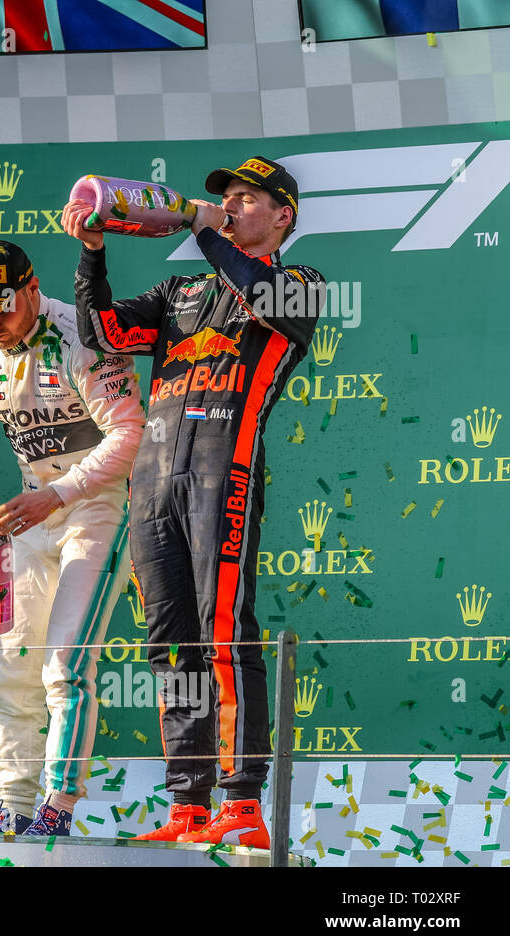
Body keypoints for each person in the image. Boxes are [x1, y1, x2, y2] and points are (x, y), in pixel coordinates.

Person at [65, 156, 325, 848]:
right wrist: (93, 255)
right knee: (170, 648)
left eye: (246, 199)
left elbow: (259, 294)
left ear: (283, 217)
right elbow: (104, 334)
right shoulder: (179, 290)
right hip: (152, 483)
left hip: (224, 474)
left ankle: (242, 802)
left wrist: (209, 230)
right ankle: (189, 804)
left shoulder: (301, 286)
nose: (233, 206)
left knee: (223, 630)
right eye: (226, 199)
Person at [0, 240, 144, 837]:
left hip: (99, 507)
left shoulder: (82, 333)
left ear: (32, 290)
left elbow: (129, 432)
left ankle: (56, 810)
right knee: (12, 667)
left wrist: (59, 496)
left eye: (1, 309)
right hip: (30, 513)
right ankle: (11, 808)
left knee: (63, 667)